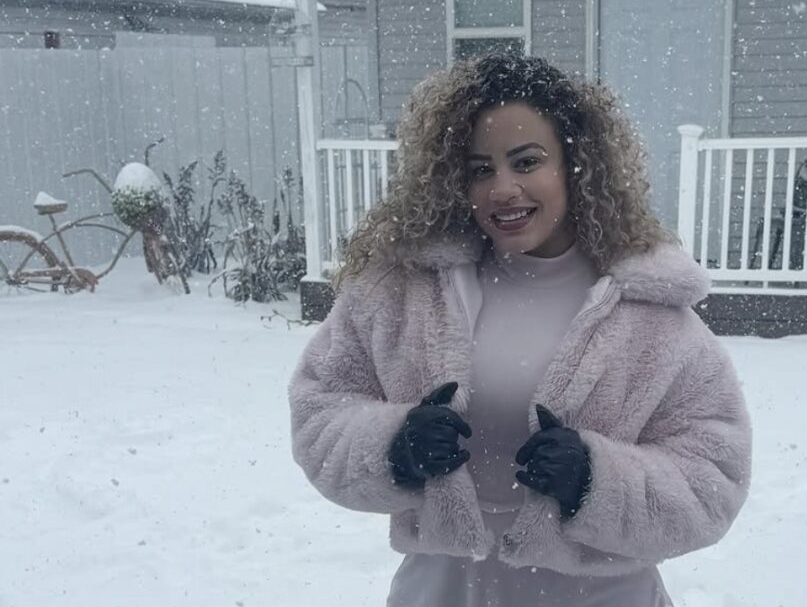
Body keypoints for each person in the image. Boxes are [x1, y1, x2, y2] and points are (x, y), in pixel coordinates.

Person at [290, 53, 752, 607]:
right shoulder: (401, 293)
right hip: (443, 592)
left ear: (576, 165)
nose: (502, 188)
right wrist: (394, 447)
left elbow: (713, 479)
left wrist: (594, 481)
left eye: (526, 161)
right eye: (480, 169)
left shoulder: (651, 312)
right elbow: (320, 408)